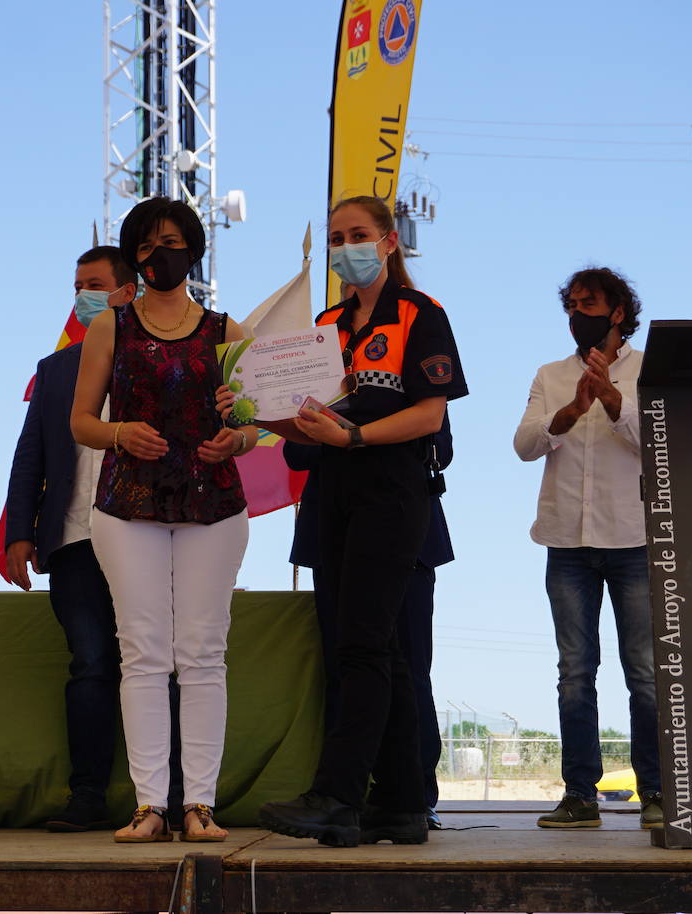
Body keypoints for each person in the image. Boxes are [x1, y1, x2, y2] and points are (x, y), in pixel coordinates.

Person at [255, 195, 467, 847]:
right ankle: (400, 803)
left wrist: (353, 439)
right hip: (334, 494)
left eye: (359, 235)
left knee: (364, 647)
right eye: (337, 236)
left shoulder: (420, 315)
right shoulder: (324, 325)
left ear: (388, 243)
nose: (346, 246)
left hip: (393, 491)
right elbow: (304, 423)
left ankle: (339, 796)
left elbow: (430, 416)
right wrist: (250, 412)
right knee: (383, 652)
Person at [70, 197, 253, 843]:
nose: (159, 255)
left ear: (195, 250)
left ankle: (199, 805)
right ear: (134, 257)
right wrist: (119, 431)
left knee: (203, 655)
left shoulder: (229, 331)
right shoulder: (109, 328)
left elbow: (253, 425)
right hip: (129, 507)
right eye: (146, 246)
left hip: (214, 507)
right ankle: (151, 806)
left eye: (171, 243)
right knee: (142, 654)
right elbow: (81, 421)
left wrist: (237, 438)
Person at [512, 267, 662, 830]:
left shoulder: (650, 369)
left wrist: (615, 401)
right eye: (571, 304)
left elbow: (660, 443)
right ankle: (580, 796)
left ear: (618, 311)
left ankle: (656, 794)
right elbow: (525, 446)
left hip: (632, 540)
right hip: (566, 543)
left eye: (590, 303)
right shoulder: (550, 374)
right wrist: (572, 410)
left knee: (645, 672)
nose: (579, 313)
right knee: (575, 671)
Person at [3, 246, 138, 831]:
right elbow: (28, 456)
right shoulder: (55, 369)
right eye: (77, 285)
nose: (82, 295)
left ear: (126, 293)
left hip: (144, 534)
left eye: (95, 285)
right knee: (90, 665)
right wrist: (18, 533)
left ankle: (170, 796)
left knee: (154, 666)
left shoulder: (156, 359)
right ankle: (86, 796)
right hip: (73, 539)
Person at [285, 394, 455, 832]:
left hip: (405, 532)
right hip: (333, 536)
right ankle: (347, 800)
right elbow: (296, 450)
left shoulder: (405, 376)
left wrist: (354, 436)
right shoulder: (319, 380)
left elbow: (441, 448)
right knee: (348, 667)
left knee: (410, 670)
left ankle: (413, 795)